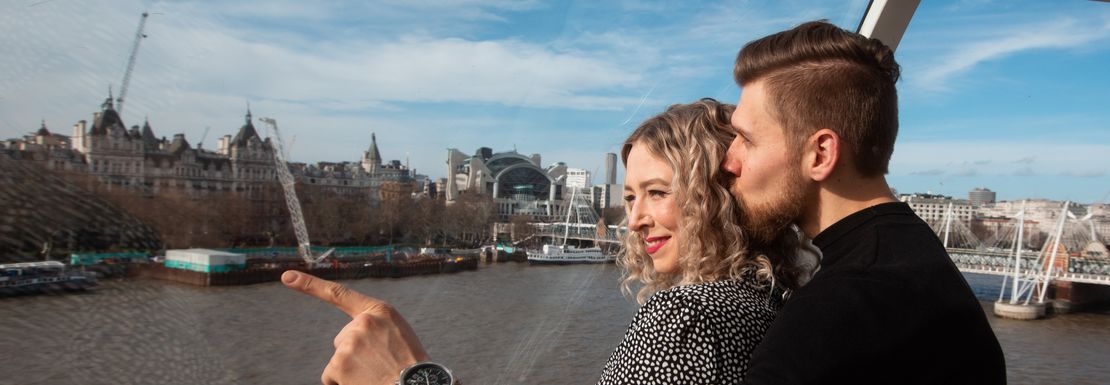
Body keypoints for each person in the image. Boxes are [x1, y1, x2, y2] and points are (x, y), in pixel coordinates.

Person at [280, 99, 808, 385]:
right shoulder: (771, 298)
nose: (637, 219)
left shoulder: (688, 318)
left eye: (657, 192)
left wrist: (410, 379)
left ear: (718, 195)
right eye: (629, 198)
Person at [723, 21, 1007, 384]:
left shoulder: (834, 314)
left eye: (746, 139)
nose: (728, 161)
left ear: (820, 154)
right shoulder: (918, 261)